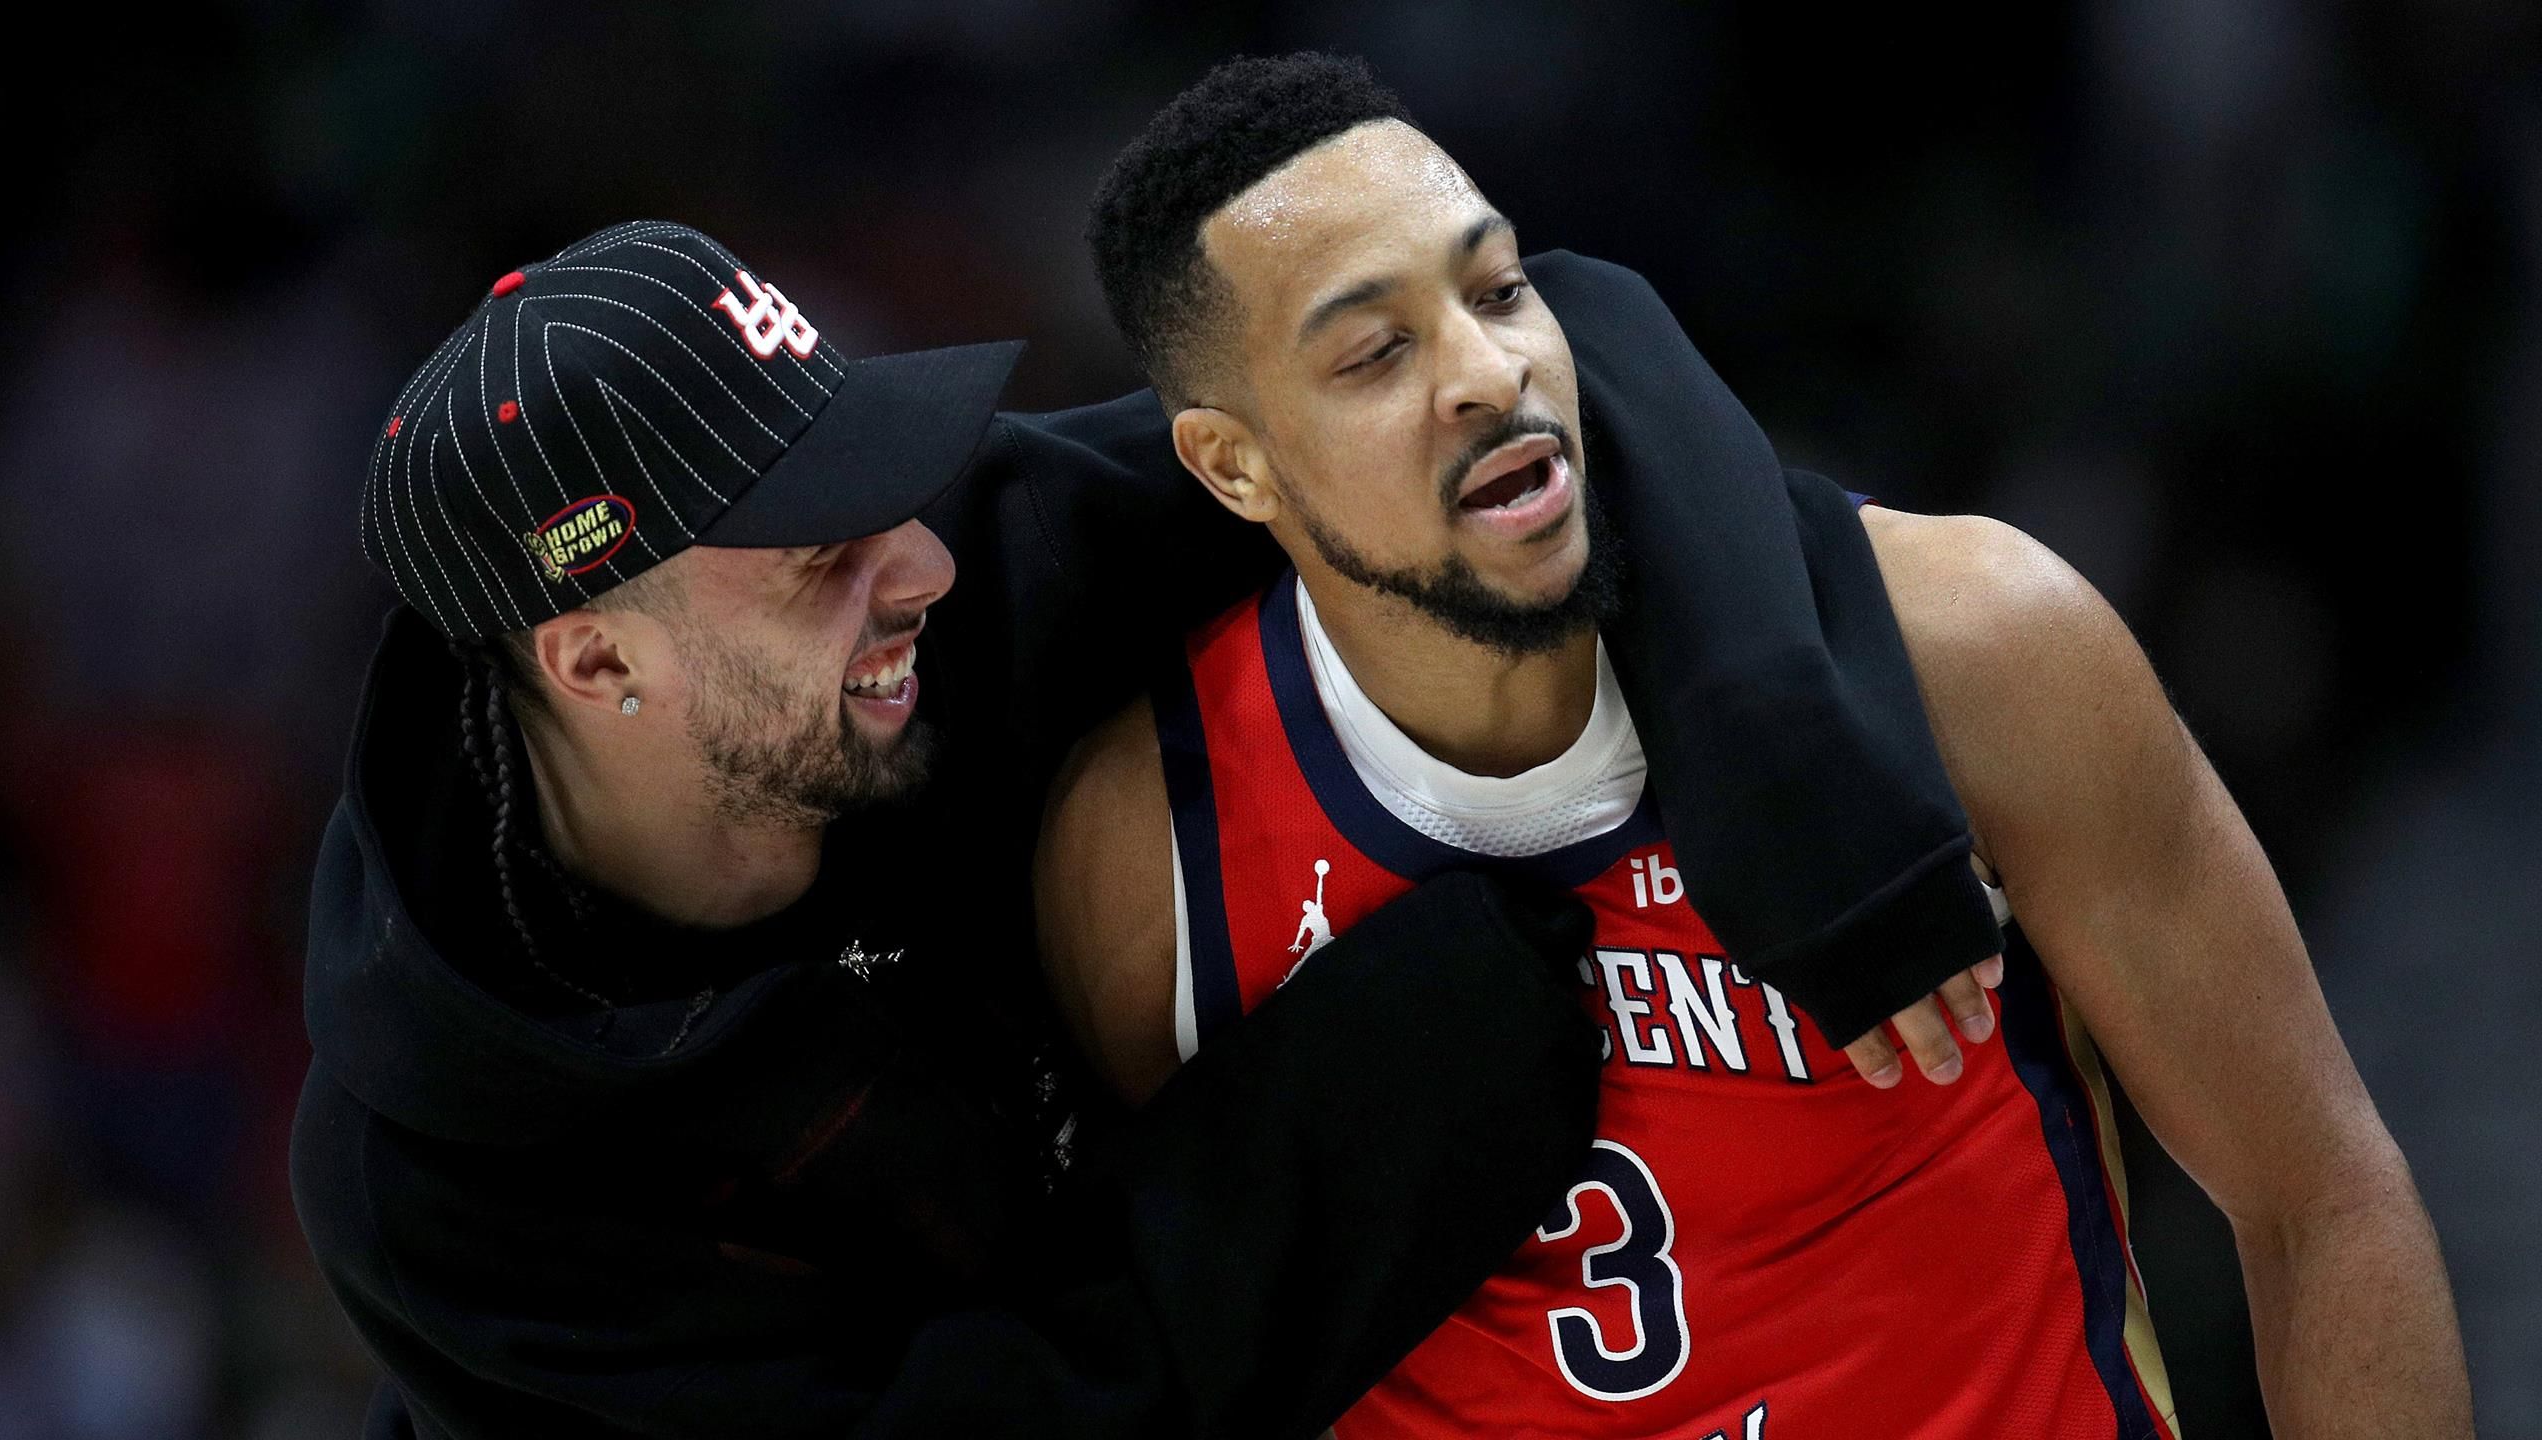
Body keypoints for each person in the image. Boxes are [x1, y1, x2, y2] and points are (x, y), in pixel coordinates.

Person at [291, 216, 1991, 1439]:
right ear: (598, 660)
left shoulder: (971, 576)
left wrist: (1783, 750)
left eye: (874, 474)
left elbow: (1556, 332)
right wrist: (1420, 1052)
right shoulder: (436, 1176)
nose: (924, 568)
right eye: (823, 558)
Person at [1037, 54, 2474, 1439]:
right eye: (1375, 351)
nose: (1489, 372)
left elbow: (2320, 1197)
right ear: (1234, 466)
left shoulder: (1967, 651)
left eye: (1500, 288)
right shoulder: (1142, 851)